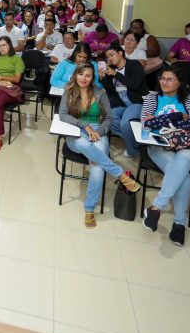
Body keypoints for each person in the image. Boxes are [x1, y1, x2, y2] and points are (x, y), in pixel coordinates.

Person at [59, 64, 141, 228]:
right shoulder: (68, 91)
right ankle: (120, 174)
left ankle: (89, 209)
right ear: (76, 75)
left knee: (97, 167)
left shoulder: (100, 93)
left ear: (92, 78)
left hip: (98, 132)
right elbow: (62, 115)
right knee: (83, 143)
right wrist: (84, 125)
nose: (83, 78)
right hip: (76, 132)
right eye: (80, 74)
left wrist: (101, 130)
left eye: (88, 75)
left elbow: (109, 118)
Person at [141, 65, 190, 246]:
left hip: (188, 145)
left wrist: (162, 120)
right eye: (162, 78)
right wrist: (178, 116)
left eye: (169, 79)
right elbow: (146, 122)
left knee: (182, 161)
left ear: (180, 82)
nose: (164, 82)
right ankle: (179, 224)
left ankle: (157, 207)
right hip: (159, 145)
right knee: (183, 176)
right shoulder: (152, 98)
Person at [99, 43, 148, 158]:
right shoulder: (113, 69)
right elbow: (111, 90)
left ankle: (132, 151)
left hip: (136, 100)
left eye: (112, 55)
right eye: (108, 57)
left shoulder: (134, 65)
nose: (110, 58)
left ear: (120, 53)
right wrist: (102, 79)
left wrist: (116, 74)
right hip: (120, 101)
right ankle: (136, 141)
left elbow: (135, 85)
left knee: (125, 124)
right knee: (107, 118)